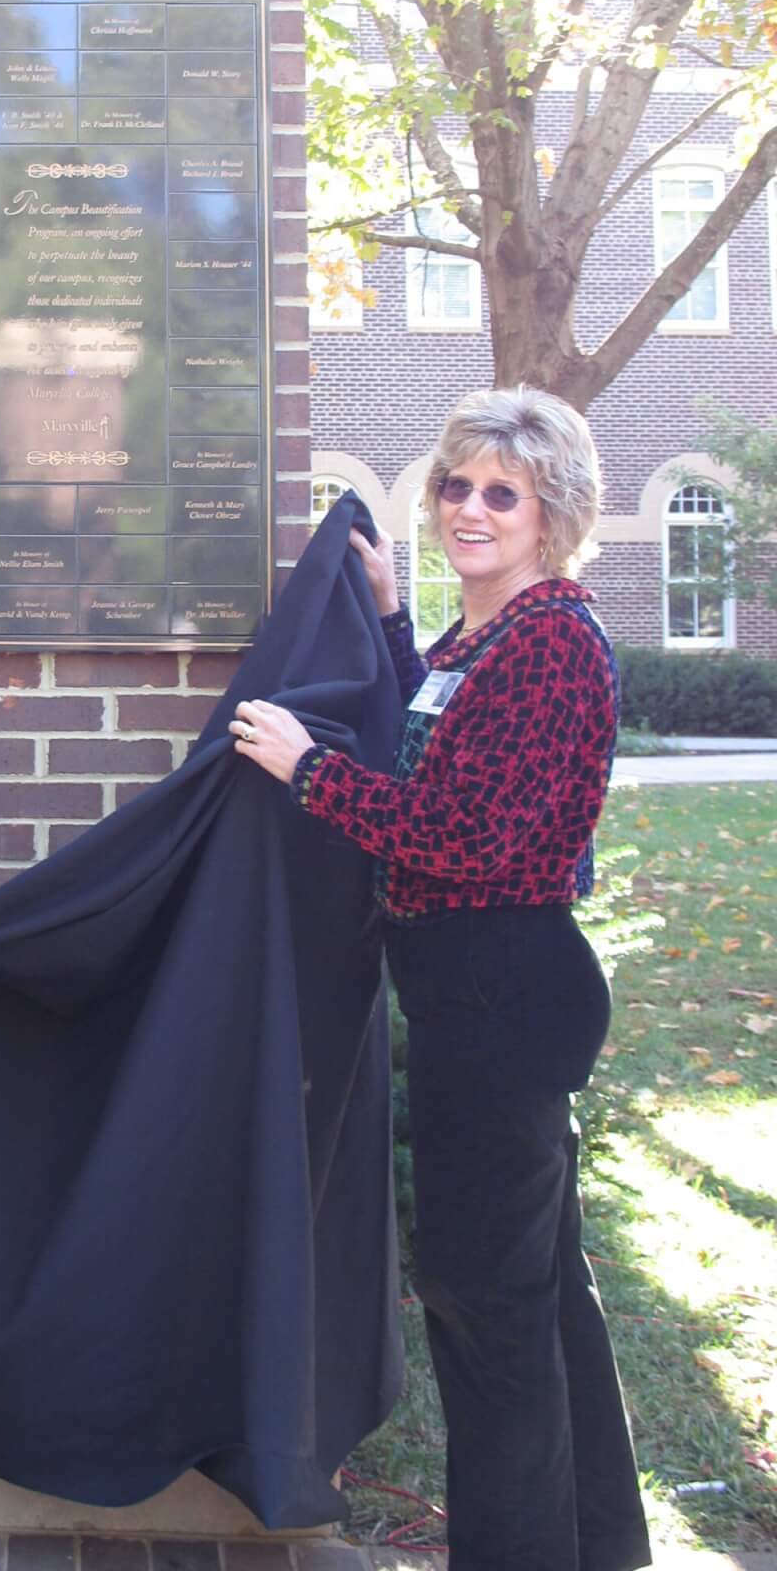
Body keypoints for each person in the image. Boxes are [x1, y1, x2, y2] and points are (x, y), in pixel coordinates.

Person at [229, 387, 652, 1571]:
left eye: (501, 493)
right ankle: (598, 1547)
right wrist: (394, 618)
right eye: (457, 484)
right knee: (539, 1293)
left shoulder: (556, 639)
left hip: (504, 989)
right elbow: (449, 733)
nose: (470, 508)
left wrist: (311, 770)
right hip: (480, 984)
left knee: (489, 1307)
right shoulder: (484, 638)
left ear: (550, 515)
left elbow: (472, 836)